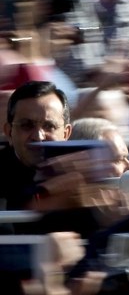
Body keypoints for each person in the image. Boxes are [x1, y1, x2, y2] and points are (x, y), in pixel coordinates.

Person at [0, 80, 72, 211]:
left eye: (49, 126)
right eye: (27, 125)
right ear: (9, 132)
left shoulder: (82, 175)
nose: (38, 136)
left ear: (66, 133)